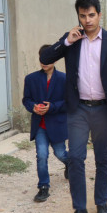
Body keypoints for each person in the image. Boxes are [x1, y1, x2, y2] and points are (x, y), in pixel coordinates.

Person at [40, 0, 107, 213]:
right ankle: (80, 209)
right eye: (82, 16)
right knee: (75, 158)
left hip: (103, 109)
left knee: (103, 158)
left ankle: (101, 203)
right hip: (78, 109)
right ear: (78, 17)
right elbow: (45, 58)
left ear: (99, 15)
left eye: (91, 15)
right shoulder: (72, 39)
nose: (87, 20)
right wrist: (67, 42)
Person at [22, 44, 69, 203]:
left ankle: (70, 164)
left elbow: (69, 102)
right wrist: (33, 107)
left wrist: (52, 107)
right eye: (42, 58)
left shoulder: (64, 79)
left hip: (57, 124)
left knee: (60, 153)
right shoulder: (31, 79)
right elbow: (26, 99)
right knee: (41, 155)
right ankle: (43, 187)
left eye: (48, 58)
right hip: (40, 125)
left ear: (55, 59)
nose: (44, 62)